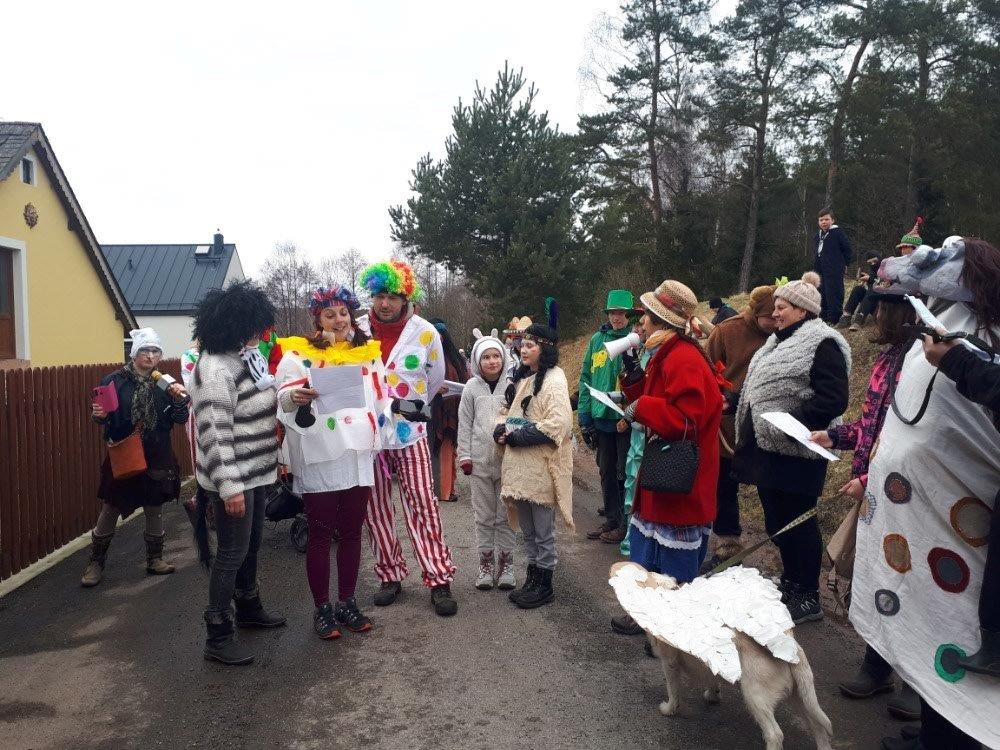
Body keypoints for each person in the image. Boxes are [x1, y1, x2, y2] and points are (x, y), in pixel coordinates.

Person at [849, 237, 999, 750]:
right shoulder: (943, 327)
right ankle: (935, 730)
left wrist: (958, 361)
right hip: (917, 515)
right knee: (926, 618)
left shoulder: (982, 340)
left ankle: (952, 737)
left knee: (957, 626)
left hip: (959, 518)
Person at [810, 296, 921, 721]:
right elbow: (871, 425)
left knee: (911, 584)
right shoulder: (887, 358)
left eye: (882, 308)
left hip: (909, 498)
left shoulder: (924, 365)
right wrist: (835, 437)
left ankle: (916, 681)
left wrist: (872, 480)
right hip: (876, 496)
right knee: (877, 576)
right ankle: (877, 664)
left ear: (905, 312)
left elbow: (912, 442)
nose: (874, 314)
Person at [733, 273, 851, 623]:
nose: (775, 313)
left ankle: (808, 594)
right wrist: (735, 402)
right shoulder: (777, 341)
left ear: (802, 310)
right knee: (777, 521)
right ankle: (791, 582)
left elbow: (833, 398)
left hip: (799, 452)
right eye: (776, 307)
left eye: (782, 307)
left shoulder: (823, 343)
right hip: (769, 450)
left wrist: (791, 423)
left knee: (798, 524)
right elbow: (764, 390)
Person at [275, 286, 388, 640]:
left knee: (353, 532)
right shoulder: (298, 355)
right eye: (330, 315)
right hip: (321, 454)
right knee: (321, 534)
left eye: (343, 313)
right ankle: (322, 607)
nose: (339, 321)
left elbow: (381, 397)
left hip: (358, 453)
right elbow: (283, 395)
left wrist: (384, 433)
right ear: (318, 319)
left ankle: (348, 602)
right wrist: (294, 396)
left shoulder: (367, 354)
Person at [189, 280, 285, 666]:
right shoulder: (214, 370)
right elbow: (214, 435)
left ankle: (248, 607)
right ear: (234, 326)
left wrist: (291, 398)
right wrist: (229, 487)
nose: (259, 333)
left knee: (251, 546)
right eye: (253, 327)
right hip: (234, 479)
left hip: (257, 474)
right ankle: (217, 633)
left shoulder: (245, 358)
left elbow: (264, 401)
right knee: (231, 553)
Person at [358, 260, 458, 617]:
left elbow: (436, 379)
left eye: (393, 297)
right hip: (368, 435)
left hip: (409, 431)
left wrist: (407, 405)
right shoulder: (356, 331)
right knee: (375, 507)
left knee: (422, 502)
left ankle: (438, 576)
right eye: (379, 296)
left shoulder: (425, 332)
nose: (385, 303)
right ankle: (389, 573)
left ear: (405, 298)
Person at [619, 280, 723, 584]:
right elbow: (661, 397)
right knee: (651, 563)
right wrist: (634, 378)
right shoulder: (670, 352)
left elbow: (686, 419)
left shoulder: (683, 358)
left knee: (669, 575)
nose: (641, 322)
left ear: (660, 321)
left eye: (646, 315)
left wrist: (642, 406)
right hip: (667, 474)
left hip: (678, 480)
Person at [81, 328, 189, 587]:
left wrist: (179, 401)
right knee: (112, 505)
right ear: (134, 353)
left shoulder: (165, 383)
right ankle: (96, 562)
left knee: (154, 505)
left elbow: (180, 419)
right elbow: (102, 418)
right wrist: (99, 415)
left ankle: (155, 559)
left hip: (157, 451)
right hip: (125, 450)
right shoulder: (114, 381)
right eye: (145, 350)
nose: (151, 356)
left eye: (156, 351)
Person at [496, 324, 574, 609]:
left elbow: (559, 423)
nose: (524, 350)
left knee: (543, 532)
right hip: (521, 472)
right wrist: (500, 429)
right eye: (523, 345)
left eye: (531, 345)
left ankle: (545, 584)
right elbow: (507, 412)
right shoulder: (524, 378)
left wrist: (518, 437)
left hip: (541, 469)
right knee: (528, 530)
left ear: (546, 349)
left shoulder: (554, 380)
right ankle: (532, 578)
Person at [700, 285, 777, 572]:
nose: (776, 321)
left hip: (766, 427)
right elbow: (706, 369)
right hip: (727, 425)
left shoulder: (784, 335)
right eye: (770, 317)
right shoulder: (727, 331)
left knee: (771, 491)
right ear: (756, 313)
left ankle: (781, 548)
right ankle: (728, 546)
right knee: (724, 486)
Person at [458, 329, 516, 591]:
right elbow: (465, 423)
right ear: (477, 361)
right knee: (483, 516)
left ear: (503, 357)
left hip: (507, 463)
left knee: (505, 515)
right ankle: (485, 565)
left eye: (496, 356)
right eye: (486, 357)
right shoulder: (471, 388)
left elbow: (518, 418)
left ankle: (506, 565)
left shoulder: (512, 385)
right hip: (480, 463)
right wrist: (465, 455)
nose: (492, 361)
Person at [579, 289, 637, 545]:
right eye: (613, 313)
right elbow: (586, 378)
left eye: (621, 313)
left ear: (629, 315)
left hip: (625, 417)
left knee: (624, 471)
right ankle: (612, 518)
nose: (616, 317)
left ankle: (625, 523)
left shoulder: (636, 339)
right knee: (606, 470)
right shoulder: (596, 340)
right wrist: (585, 415)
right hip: (600, 414)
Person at [429, 319, 470, 503]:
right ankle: (438, 490)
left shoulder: (455, 360)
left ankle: (445, 490)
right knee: (433, 450)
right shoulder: (424, 357)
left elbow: (466, 381)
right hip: (430, 410)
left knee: (447, 449)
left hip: (450, 410)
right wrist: (433, 387)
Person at [813, 207, 854, 324]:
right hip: (819, 268)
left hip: (834, 268)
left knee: (833, 293)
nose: (824, 222)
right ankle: (823, 317)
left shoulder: (838, 233)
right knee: (821, 292)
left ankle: (834, 318)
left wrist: (846, 263)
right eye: (821, 220)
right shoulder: (817, 235)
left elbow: (848, 249)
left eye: (826, 219)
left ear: (832, 220)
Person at [837, 251, 881, 330]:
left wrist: (870, 279)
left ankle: (859, 318)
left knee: (872, 291)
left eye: (875, 261)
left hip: (882, 306)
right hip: (873, 303)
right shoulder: (873, 271)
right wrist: (867, 279)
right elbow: (874, 279)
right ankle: (846, 315)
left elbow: (883, 284)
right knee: (858, 289)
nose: (873, 264)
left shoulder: (887, 270)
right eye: (870, 262)